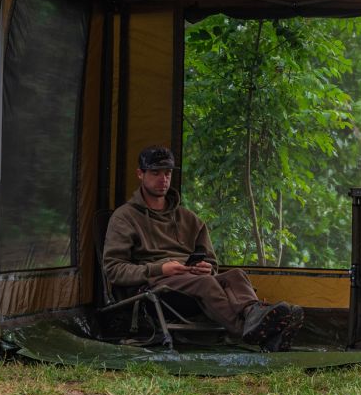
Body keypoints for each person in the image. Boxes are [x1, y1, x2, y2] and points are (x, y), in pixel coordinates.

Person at [103, 145, 304, 351]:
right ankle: (251, 333)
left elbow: (210, 262)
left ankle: (254, 315)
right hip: (156, 290)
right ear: (140, 174)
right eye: (155, 173)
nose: (163, 179)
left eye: (168, 173)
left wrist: (208, 267)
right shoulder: (124, 217)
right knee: (205, 283)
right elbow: (113, 270)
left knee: (236, 275)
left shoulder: (188, 218)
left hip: (192, 281)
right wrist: (159, 269)